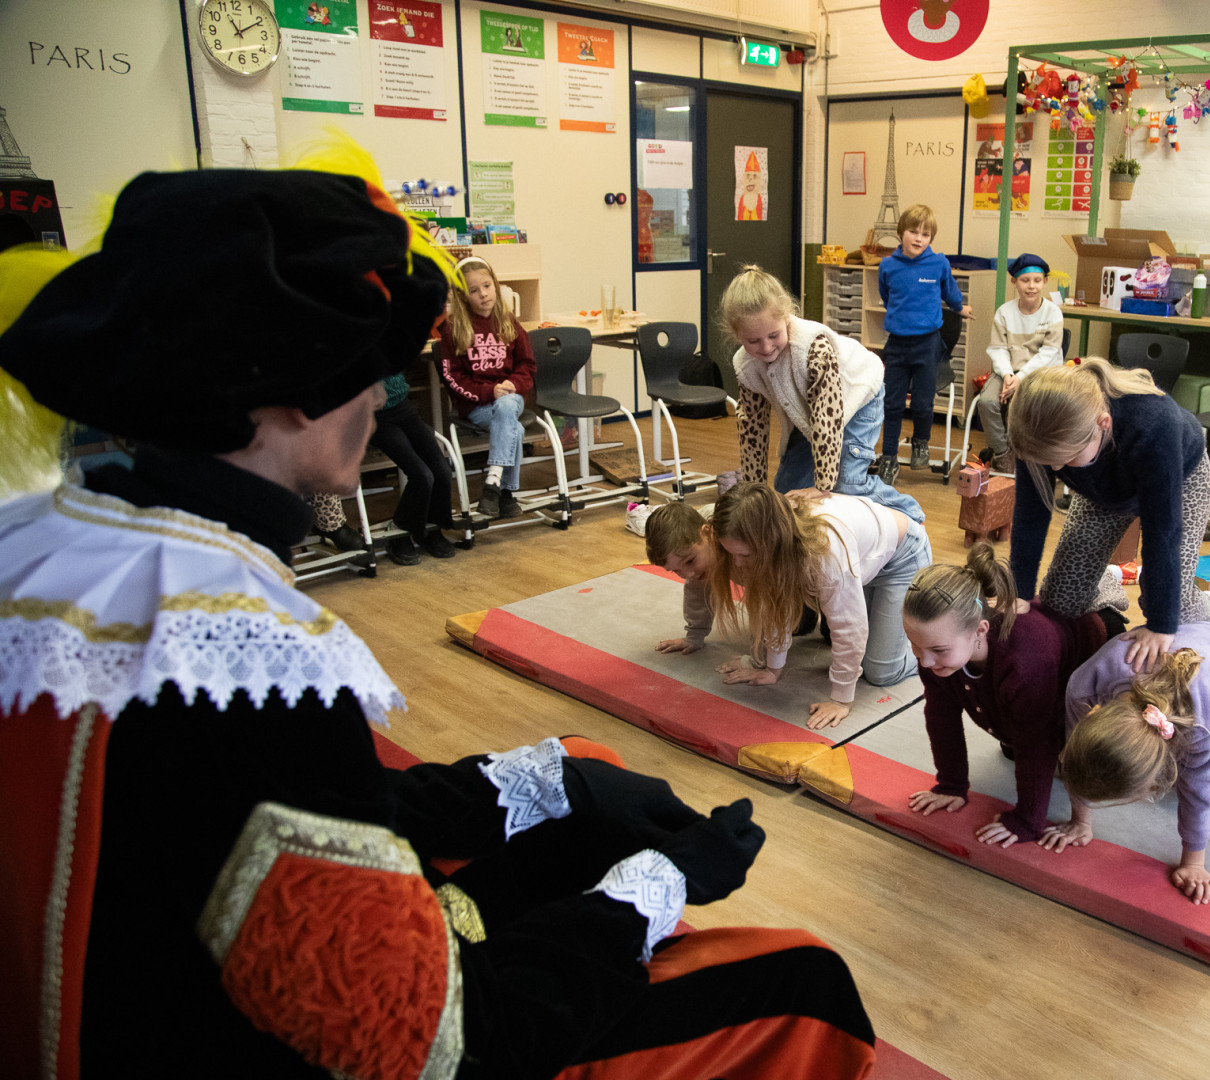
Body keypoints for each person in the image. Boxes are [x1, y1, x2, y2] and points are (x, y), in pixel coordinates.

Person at [0, 156, 876, 1080]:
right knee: (808, 983)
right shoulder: (244, 659)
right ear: (295, 388)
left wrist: (557, 777)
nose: (379, 399)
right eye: (367, 370)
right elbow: (435, 1043)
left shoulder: (70, 553)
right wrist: (663, 881)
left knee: (588, 775)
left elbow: (319, 807)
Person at [1008, 360, 1210, 675]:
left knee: (1173, 606)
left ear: (1103, 423)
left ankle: (1208, 608)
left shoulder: (1154, 426)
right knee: (1060, 600)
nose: (1056, 469)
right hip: (1104, 486)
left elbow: (1161, 534)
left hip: (1180, 476)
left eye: (1067, 458)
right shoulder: (1036, 431)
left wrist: (1160, 624)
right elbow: (1030, 513)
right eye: (1049, 461)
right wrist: (1019, 591)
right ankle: (1108, 582)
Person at [903, 544, 1123, 851]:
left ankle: (1107, 577)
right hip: (1036, 661)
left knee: (1076, 753)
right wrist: (951, 785)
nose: (924, 661)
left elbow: (1036, 743)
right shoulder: (935, 652)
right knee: (1012, 745)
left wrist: (1029, 820)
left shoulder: (1023, 663)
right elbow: (941, 718)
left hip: (1098, 639)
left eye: (938, 650)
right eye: (914, 644)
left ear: (980, 630)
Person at [1059, 624, 1210, 904]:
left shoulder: (1201, 725)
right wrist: (1080, 820)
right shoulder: (1084, 685)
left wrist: (1193, 863)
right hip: (1182, 651)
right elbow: (1078, 761)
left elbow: (1204, 789)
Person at [706, 482, 933, 729]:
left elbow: (849, 628)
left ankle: (935, 643)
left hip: (902, 558)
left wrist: (841, 699)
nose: (738, 564)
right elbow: (776, 606)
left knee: (880, 672)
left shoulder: (825, 553)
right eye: (732, 554)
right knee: (860, 650)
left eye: (745, 555)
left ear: (771, 542)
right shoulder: (770, 530)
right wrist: (772, 669)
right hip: (864, 560)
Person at [721, 264, 923, 523]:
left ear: (787, 318)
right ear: (737, 335)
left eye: (773, 335)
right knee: (787, 492)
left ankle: (908, 513)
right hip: (810, 414)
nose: (766, 347)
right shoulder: (746, 366)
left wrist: (823, 485)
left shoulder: (813, 348)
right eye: (753, 341)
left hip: (858, 396)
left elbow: (827, 417)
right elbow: (753, 429)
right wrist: (754, 493)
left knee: (845, 484)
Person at [876, 204, 970, 480]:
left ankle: (921, 443)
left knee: (922, 402)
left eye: (925, 234)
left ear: (931, 238)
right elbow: (887, 296)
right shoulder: (888, 265)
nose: (918, 239)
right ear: (901, 232)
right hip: (897, 345)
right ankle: (889, 457)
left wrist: (959, 307)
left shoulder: (938, 263)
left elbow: (950, 291)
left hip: (928, 344)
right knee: (892, 404)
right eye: (913, 232)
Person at [441, 255, 536, 519]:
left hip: (511, 397)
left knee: (506, 406)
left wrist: (512, 384)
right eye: (474, 290)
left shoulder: (508, 321)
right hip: (477, 406)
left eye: (487, 286)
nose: (483, 294)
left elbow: (527, 365)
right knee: (514, 428)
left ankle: (492, 482)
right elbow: (452, 377)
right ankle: (504, 494)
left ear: (495, 285)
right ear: (463, 296)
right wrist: (487, 392)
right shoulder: (453, 328)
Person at [979, 253, 1064, 474]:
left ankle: (1027, 457)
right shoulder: (1004, 312)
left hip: (1040, 375)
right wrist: (1008, 375)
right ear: (1014, 281)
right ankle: (1002, 454)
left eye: (1037, 280)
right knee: (987, 402)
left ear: (1045, 281)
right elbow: (998, 348)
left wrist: (1020, 377)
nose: (1031, 286)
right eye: (1025, 280)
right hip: (1007, 372)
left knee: (1021, 404)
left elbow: (1049, 352)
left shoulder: (1053, 313)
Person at [371, 370, 460, 564]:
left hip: (402, 406)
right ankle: (398, 531)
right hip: (372, 417)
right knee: (422, 475)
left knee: (442, 471)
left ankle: (430, 529)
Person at [644, 500, 718, 655]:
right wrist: (694, 636)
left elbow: (766, 599)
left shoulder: (737, 539)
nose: (688, 574)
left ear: (707, 533)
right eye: (675, 570)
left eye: (690, 561)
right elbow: (697, 593)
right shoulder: (695, 542)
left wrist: (761, 661)